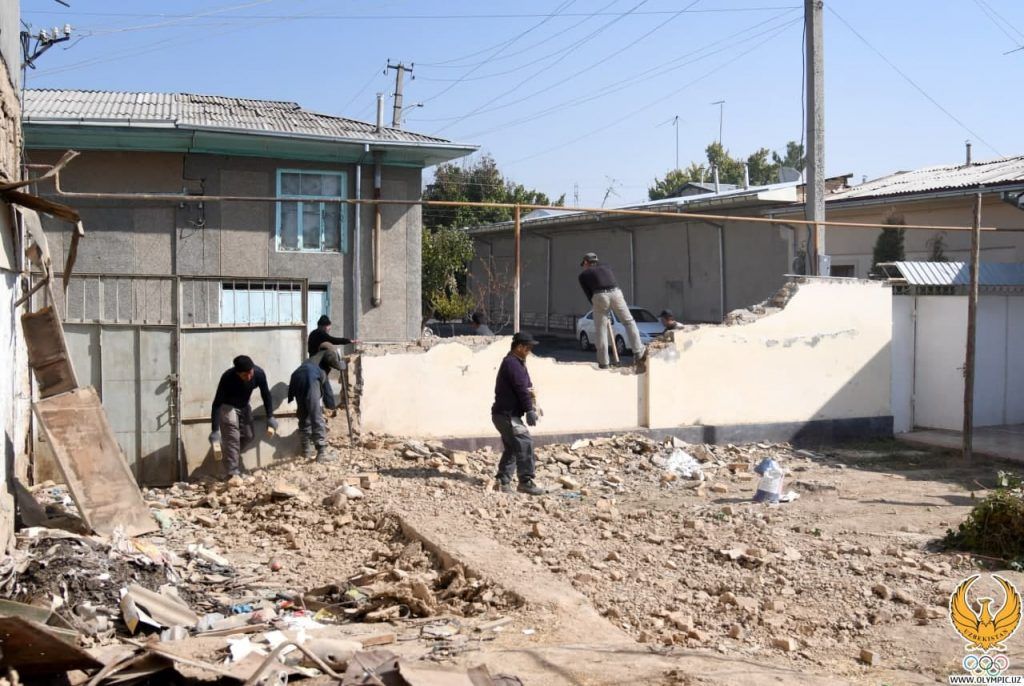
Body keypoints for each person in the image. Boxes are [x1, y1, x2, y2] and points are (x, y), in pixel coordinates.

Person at [491, 331, 545, 495]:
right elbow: (522, 389)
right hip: (507, 415)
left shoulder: (517, 362)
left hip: (503, 414)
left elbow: (528, 388)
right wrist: (528, 409)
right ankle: (525, 482)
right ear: (520, 347)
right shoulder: (512, 364)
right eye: (528, 348)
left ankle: (502, 481)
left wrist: (534, 405)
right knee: (525, 443)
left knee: (513, 447)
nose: (529, 351)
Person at [209, 355, 277, 479]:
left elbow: (266, 394)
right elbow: (217, 403)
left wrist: (270, 416)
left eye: (250, 373)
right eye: (245, 375)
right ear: (237, 373)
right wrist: (214, 430)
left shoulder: (258, 373)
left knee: (249, 435)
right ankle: (232, 473)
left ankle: (231, 454)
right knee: (233, 438)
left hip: (244, 406)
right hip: (228, 407)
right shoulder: (227, 377)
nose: (249, 377)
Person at [578, 252, 646, 369]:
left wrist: (599, 308)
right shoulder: (606, 266)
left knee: (601, 330)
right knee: (628, 321)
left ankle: (604, 363)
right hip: (616, 292)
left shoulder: (583, 275)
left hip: (599, 295)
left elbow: (589, 294)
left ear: (586, 262)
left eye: (583, 264)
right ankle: (638, 351)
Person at [288, 345, 345, 463]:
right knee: (315, 414)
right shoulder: (327, 353)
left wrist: (331, 406)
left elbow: (327, 389)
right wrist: (340, 365)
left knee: (304, 414)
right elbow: (332, 359)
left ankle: (306, 451)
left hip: (296, 377)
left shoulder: (313, 361)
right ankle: (322, 452)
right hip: (309, 376)